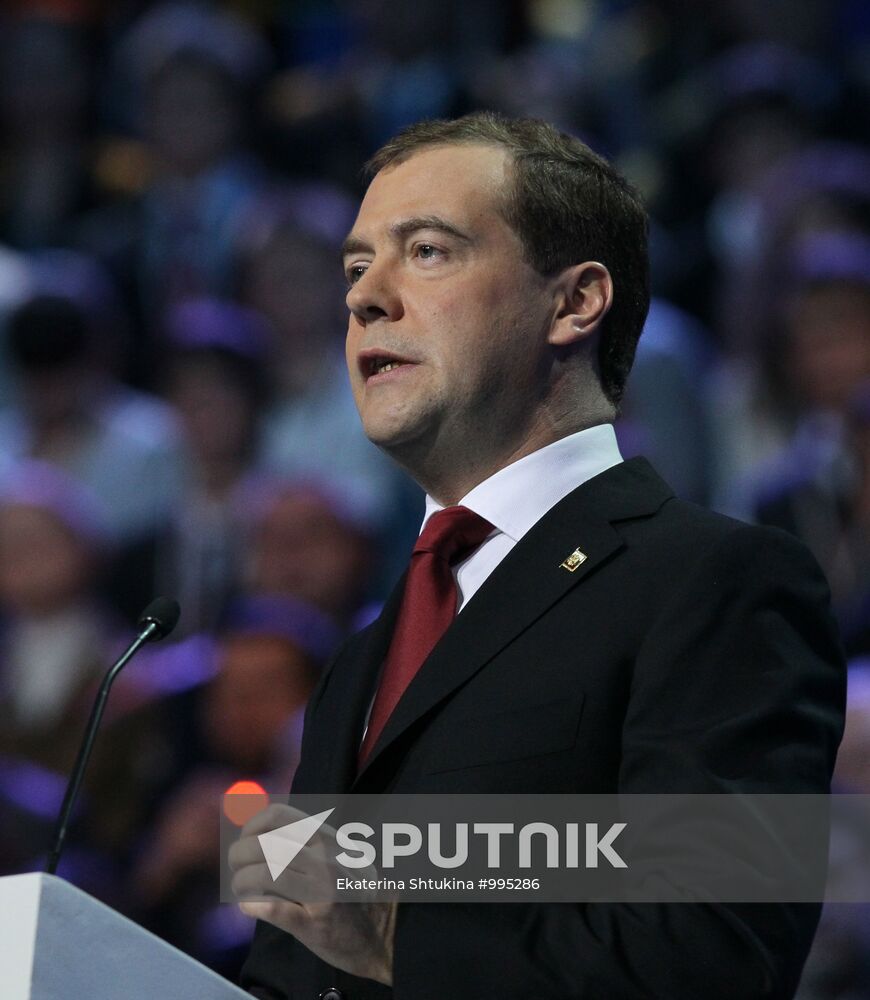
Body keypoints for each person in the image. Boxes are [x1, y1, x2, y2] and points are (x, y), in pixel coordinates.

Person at [232, 112, 846, 1000]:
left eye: (429, 251)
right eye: (357, 267)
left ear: (574, 302)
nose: (366, 296)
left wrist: (399, 936)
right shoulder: (363, 657)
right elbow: (300, 963)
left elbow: (716, 951)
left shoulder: (717, 581)